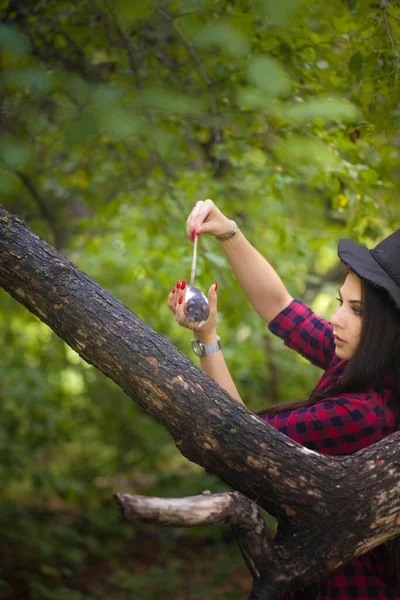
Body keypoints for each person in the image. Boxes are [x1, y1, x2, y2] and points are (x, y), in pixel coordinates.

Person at [168, 199, 400, 599]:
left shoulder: (364, 413)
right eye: (341, 301)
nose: (337, 318)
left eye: (356, 310)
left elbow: (242, 440)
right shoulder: (365, 364)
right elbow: (280, 307)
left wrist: (207, 340)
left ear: (388, 327)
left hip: (344, 586)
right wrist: (228, 232)